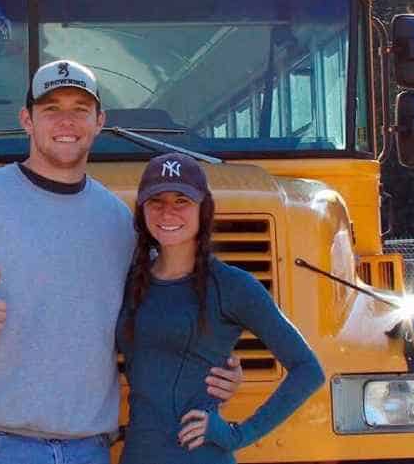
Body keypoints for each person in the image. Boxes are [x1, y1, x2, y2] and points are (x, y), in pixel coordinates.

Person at [0, 60, 243, 464]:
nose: (67, 121)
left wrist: (215, 368)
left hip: (87, 447)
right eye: (51, 108)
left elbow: (166, 311)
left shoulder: (116, 219)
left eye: (80, 109)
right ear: (27, 120)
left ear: (99, 121)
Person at [117, 152, 325, 464]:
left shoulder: (231, 285)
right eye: (156, 201)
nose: (167, 212)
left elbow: (308, 370)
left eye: (182, 201)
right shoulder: (130, 282)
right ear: (142, 209)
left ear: (204, 209)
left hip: (199, 456)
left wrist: (238, 434)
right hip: (137, 454)